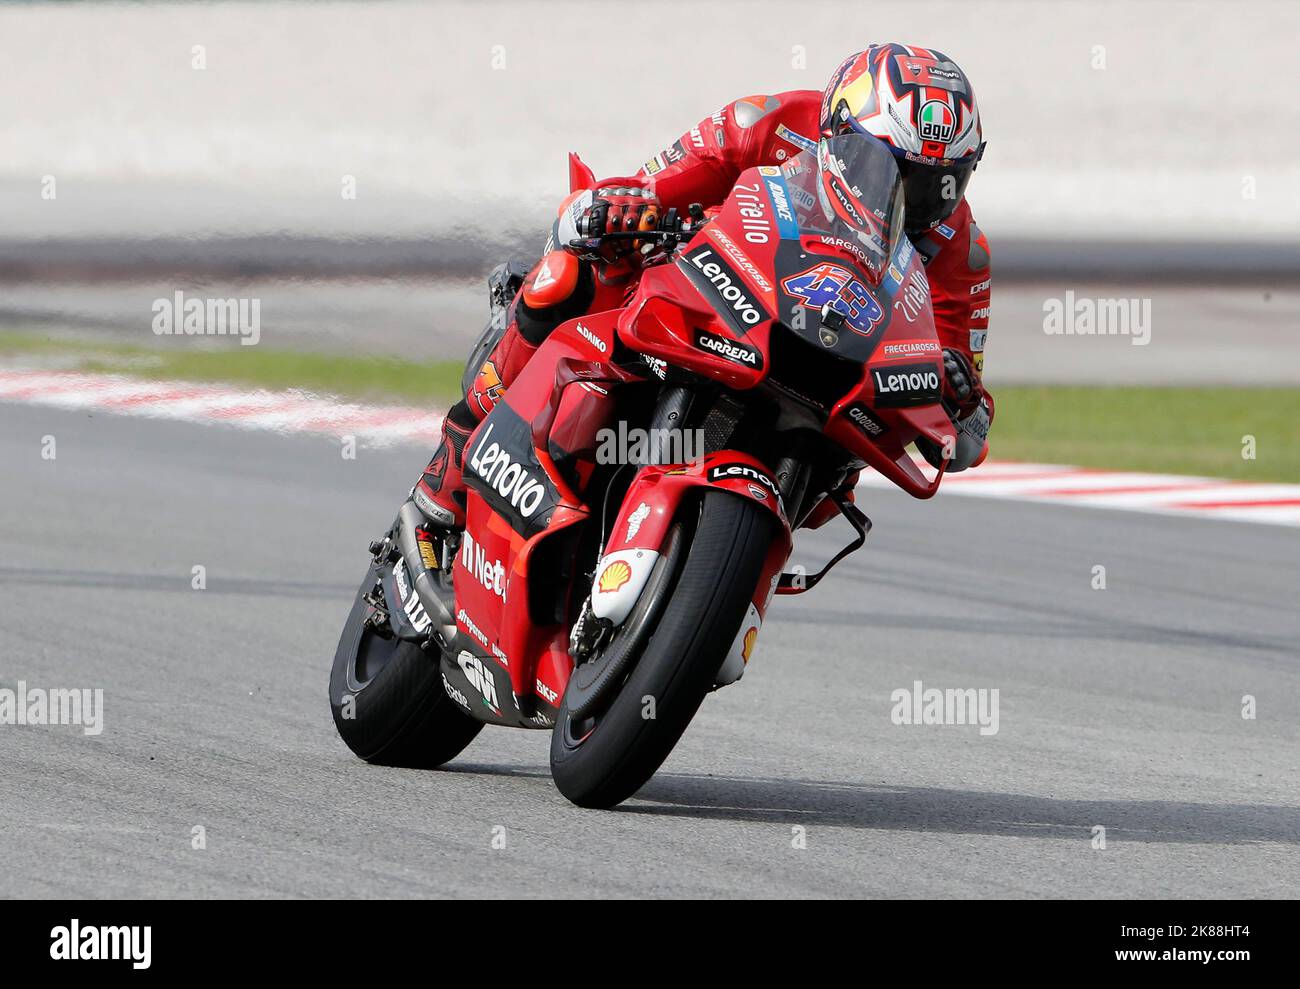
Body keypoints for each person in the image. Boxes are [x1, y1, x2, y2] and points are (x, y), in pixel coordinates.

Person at [412, 42, 993, 535]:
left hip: (825, 379)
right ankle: (451, 467)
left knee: (841, 475)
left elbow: (965, 432)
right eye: (891, 171)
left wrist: (962, 398)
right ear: (838, 132)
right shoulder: (766, 122)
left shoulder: (960, 251)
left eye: (938, 185)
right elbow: (641, 190)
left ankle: (730, 594)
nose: (912, 200)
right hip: (710, 297)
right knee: (572, 275)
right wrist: (622, 209)